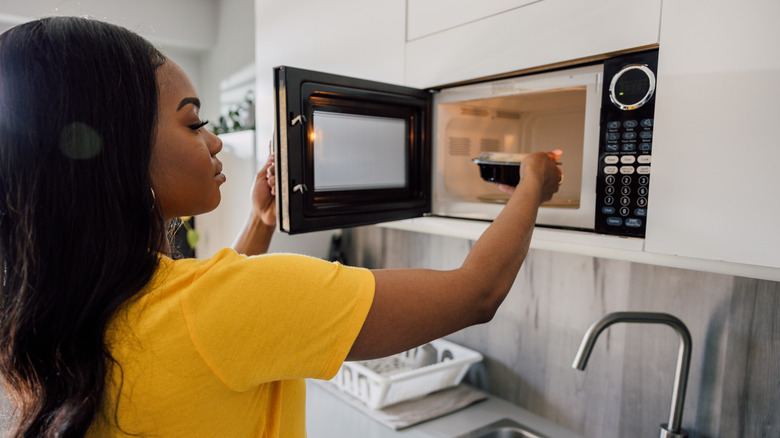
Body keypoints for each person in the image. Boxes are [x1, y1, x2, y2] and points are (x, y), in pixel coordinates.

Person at [0, 16, 562, 438]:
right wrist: (532, 181)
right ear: (118, 155)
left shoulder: (56, 312)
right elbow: (476, 292)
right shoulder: (236, 301)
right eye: (193, 122)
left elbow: (204, 321)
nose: (215, 140)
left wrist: (259, 223)